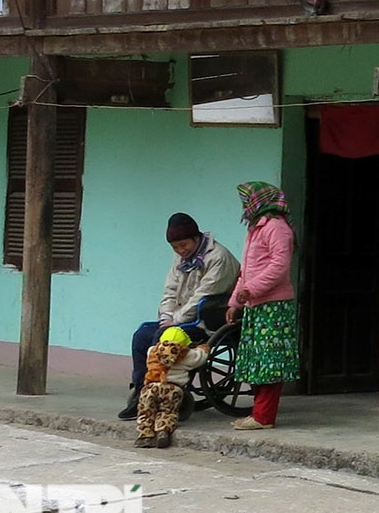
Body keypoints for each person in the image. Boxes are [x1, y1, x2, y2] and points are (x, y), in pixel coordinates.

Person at [121, 213, 239, 420]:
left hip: (209, 320)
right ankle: (143, 390)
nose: (180, 251)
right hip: (184, 317)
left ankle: (162, 392)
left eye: (183, 245)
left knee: (163, 337)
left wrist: (174, 321)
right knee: (141, 335)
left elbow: (203, 297)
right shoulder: (182, 257)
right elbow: (170, 290)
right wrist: (166, 316)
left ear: (196, 238)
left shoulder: (218, 258)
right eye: (175, 248)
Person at [226, 181, 298, 431]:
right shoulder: (255, 229)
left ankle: (264, 416)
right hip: (257, 304)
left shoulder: (276, 228)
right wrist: (236, 300)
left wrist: (252, 289)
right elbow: (247, 270)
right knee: (257, 360)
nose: (245, 207)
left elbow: (279, 266)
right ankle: (259, 413)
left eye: (247, 201)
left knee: (269, 361)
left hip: (273, 305)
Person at [132, 325, 206, 449]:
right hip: (172, 389)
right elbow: (200, 357)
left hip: (150, 387)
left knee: (146, 411)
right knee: (167, 412)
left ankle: (144, 436)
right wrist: (203, 348)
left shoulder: (152, 351)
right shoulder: (187, 355)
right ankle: (163, 432)